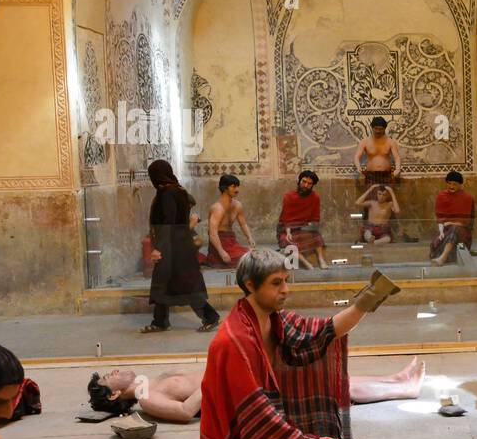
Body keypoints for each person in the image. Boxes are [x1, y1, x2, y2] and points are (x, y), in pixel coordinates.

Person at [196, 249, 398, 439]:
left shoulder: (273, 319)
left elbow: (322, 333)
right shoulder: (233, 341)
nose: (285, 290)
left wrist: (369, 299)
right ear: (250, 285)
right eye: (276, 283)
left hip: (269, 434)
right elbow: (254, 409)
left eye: (286, 280)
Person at [88, 357, 427, 424]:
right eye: (109, 377)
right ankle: (403, 391)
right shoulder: (147, 398)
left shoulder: (151, 381)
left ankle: (395, 380)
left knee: (320, 374)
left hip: (241, 374)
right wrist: (218, 378)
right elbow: (185, 411)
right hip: (239, 391)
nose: (114, 371)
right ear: (116, 395)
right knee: (324, 385)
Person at [143, 159, 219, 333]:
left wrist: (158, 248)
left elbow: (168, 224)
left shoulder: (168, 193)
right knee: (163, 284)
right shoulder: (178, 190)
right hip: (179, 245)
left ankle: (211, 317)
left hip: (172, 248)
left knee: (184, 284)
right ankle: (160, 321)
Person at [277, 170, 328, 269]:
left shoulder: (315, 197)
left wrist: (311, 227)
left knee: (317, 236)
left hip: (303, 227)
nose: (305, 185)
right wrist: (288, 232)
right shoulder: (288, 196)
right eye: (304, 182)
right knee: (288, 241)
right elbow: (285, 217)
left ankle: (321, 260)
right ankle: (307, 264)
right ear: (299, 181)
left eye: (309, 184)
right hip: (286, 229)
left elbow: (315, 218)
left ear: (312, 185)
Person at [206, 173, 255, 268]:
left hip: (231, 242)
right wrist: (222, 252)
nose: (237, 190)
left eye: (237, 187)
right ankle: (215, 258)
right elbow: (212, 234)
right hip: (219, 244)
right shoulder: (217, 208)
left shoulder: (237, 205)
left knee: (252, 255)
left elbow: (243, 224)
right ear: (224, 188)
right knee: (248, 259)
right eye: (233, 187)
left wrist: (250, 237)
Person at [429, 171, 474, 266]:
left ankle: (443, 257)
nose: (451, 186)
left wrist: (450, 223)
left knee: (455, 229)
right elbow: (440, 219)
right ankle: (442, 255)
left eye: (454, 184)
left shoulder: (467, 198)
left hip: (462, 232)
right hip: (445, 230)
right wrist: (441, 232)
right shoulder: (441, 196)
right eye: (449, 183)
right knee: (439, 238)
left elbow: (466, 223)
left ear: (460, 184)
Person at [354, 117, 401, 187]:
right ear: (372, 128)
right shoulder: (365, 142)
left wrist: (397, 169)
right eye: (376, 128)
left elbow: (397, 157)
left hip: (386, 175)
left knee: (386, 197)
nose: (378, 131)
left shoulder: (390, 142)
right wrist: (358, 168)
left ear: (384, 129)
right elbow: (357, 157)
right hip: (370, 175)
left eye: (380, 129)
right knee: (371, 197)